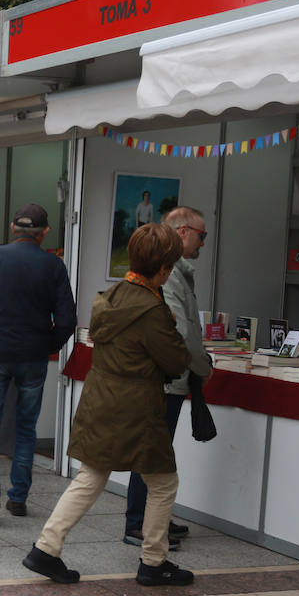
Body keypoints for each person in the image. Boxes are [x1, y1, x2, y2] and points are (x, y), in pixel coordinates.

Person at [22, 223, 192, 587]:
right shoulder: (151, 309)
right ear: (163, 268)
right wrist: (174, 329)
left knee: (91, 476)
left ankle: (46, 548)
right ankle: (153, 561)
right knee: (163, 483)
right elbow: (177, 361)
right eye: (171, 265)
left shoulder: (112, 296)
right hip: (138, 408)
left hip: (101, 399)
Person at [0, 203, 77, 522]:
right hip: (33, 355)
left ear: (12, 227)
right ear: (45, 232)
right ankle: (18, 497)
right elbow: (67, 320)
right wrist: (47, 345)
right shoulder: (53, 265)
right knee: (26, 427)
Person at [123, 206, 211, 547]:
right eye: (202, 236)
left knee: (158, 452)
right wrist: (203, 368)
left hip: (170, 377)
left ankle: (153, 517)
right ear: (184, 232)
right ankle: (138, 523)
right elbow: (182, 330)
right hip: (165, 378)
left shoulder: (176, 272)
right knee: (151, 452)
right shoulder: (170, 274)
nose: (203, 242)